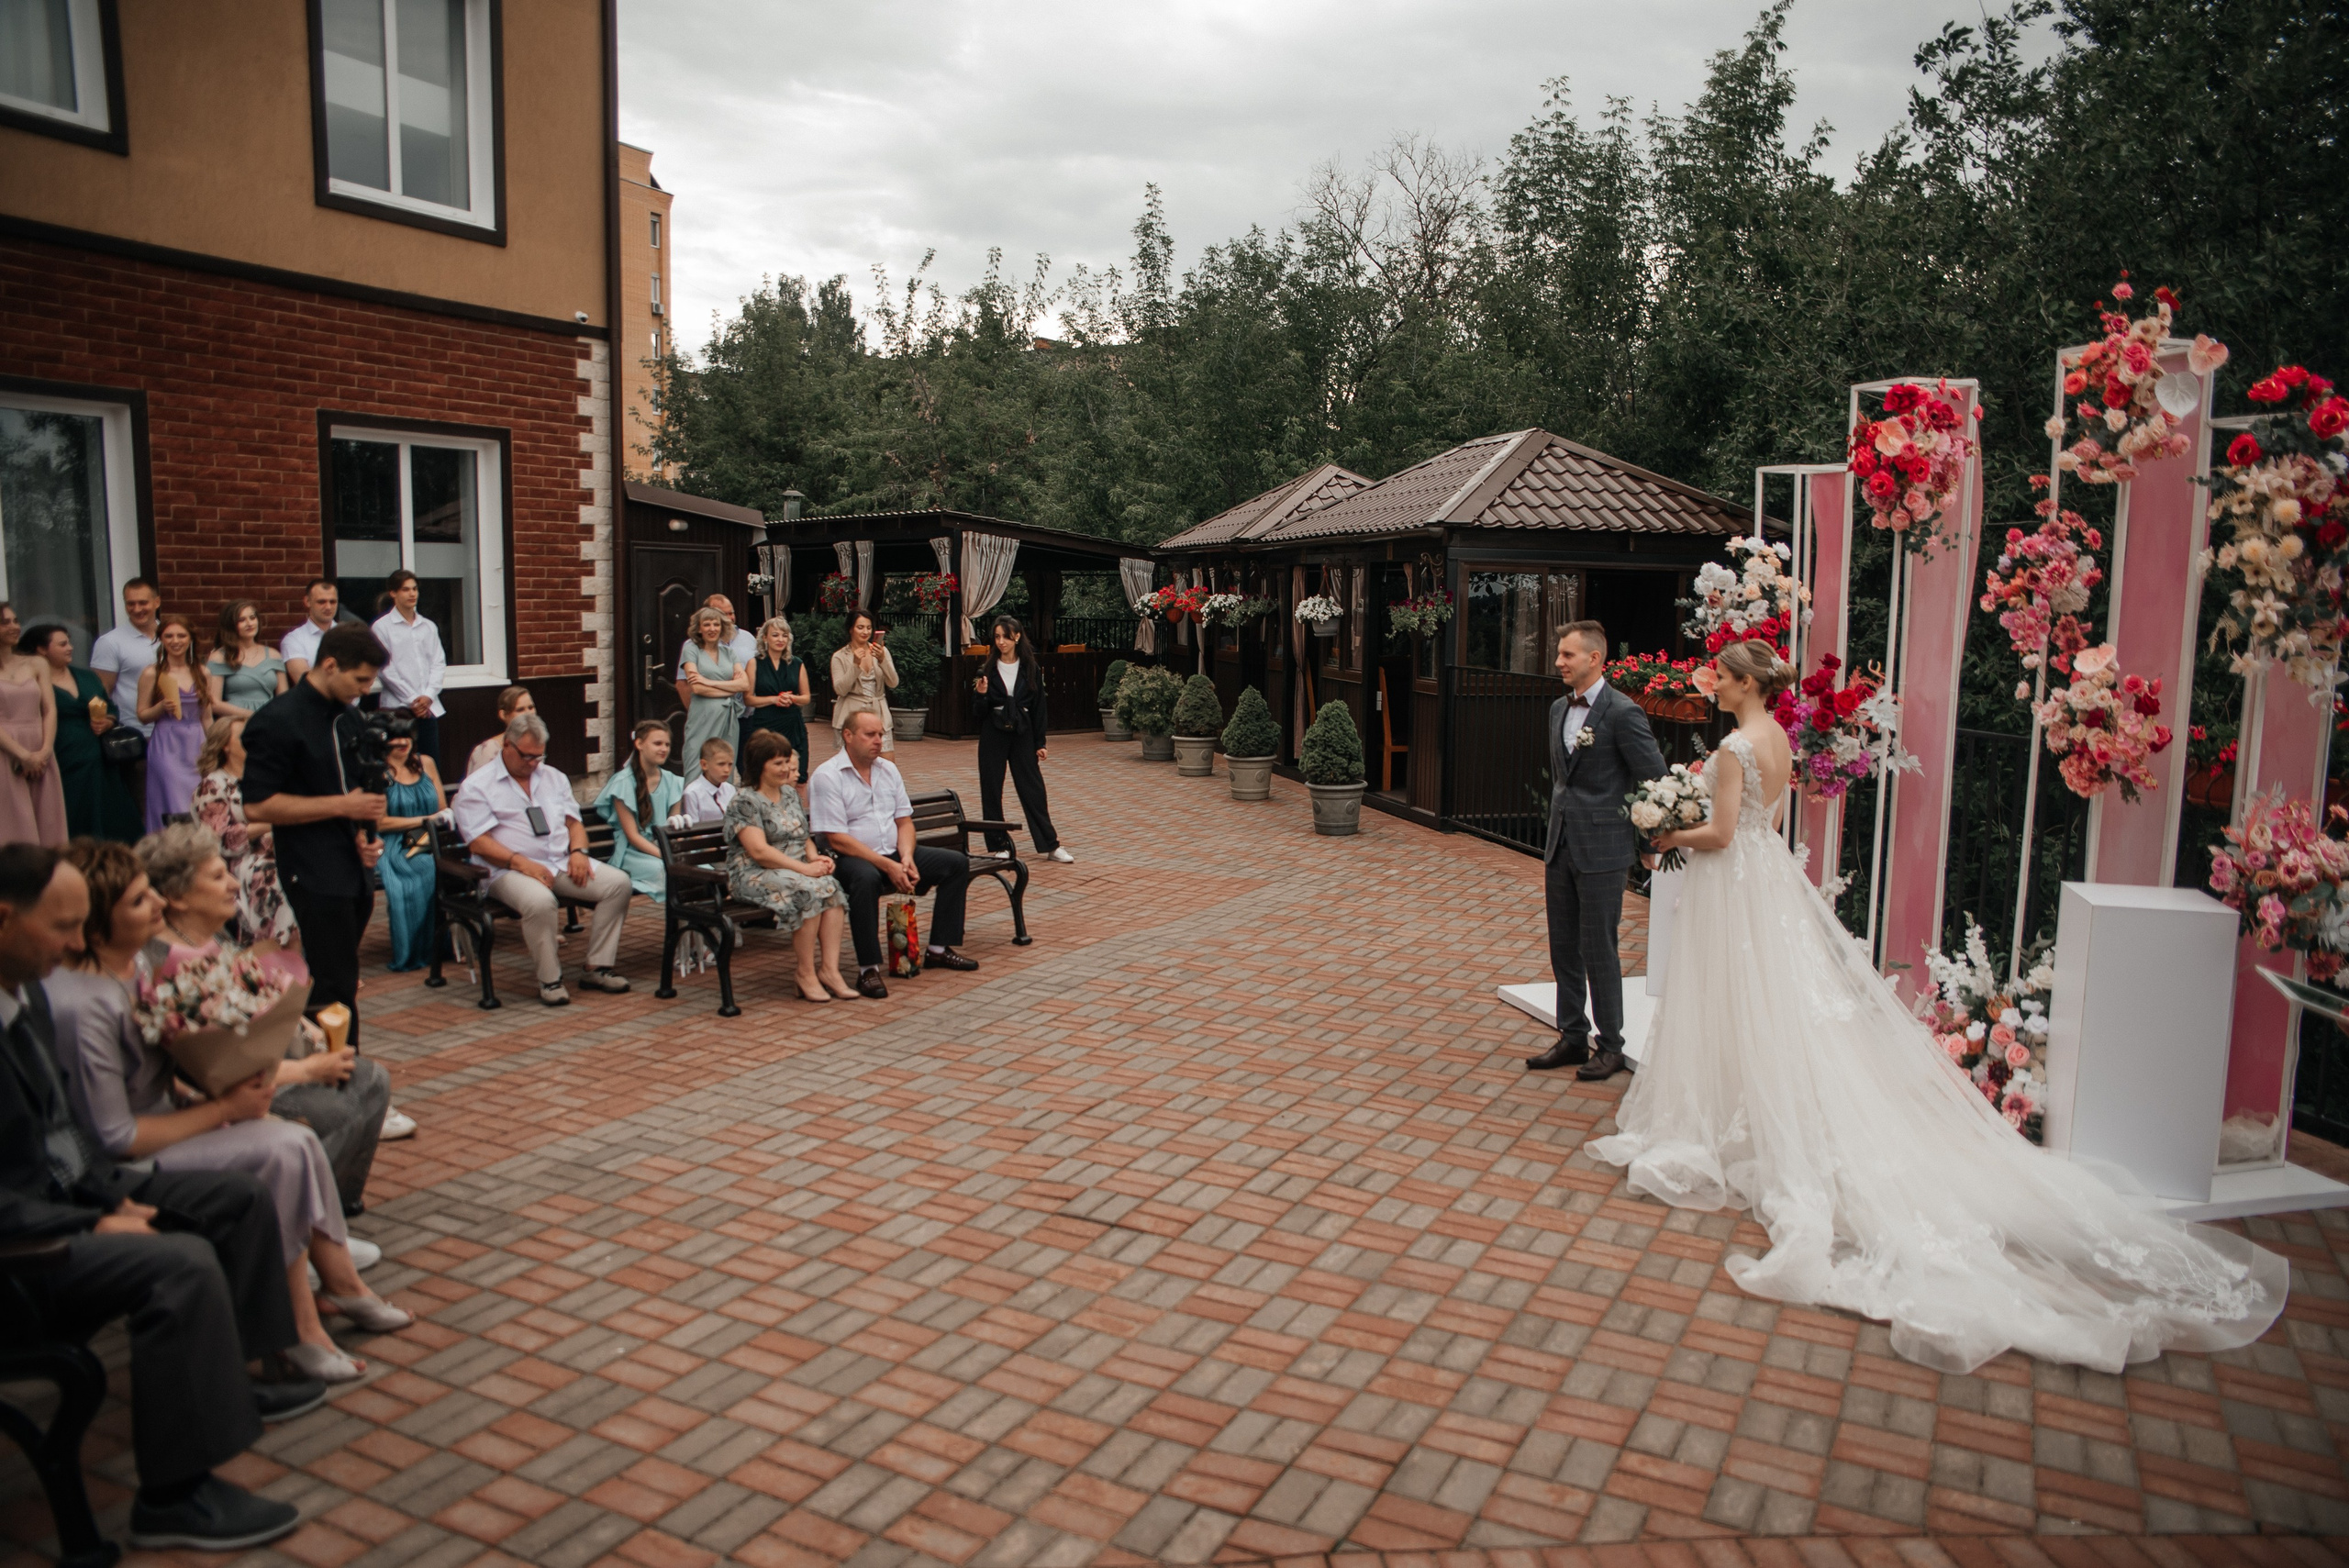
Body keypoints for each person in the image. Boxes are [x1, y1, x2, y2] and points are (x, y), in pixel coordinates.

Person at [1587, 639, 2288, 1373]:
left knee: (1740, 998)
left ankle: (1735, 1116)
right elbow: (1759, 825)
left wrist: (1666, 834)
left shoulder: (1733, 744)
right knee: (1775, 1005)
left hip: (1735, 882)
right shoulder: (1779, 738)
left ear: (1744, 683)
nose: (1714, 684)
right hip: (1768, 883)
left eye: (1722, 677)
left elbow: (1725, 833)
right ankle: (1751, 1108)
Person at [0, 843, 313, 1551]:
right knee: (179, 1264)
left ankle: (245, 1368)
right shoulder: (41, 1002)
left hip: (68, 1209)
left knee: (235, 1199)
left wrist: (113, 1196)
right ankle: (173, 1493)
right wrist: (94, 1217)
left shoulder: (24, 999)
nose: (78, 944)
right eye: (62, 928)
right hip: (22, 1258)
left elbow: (65, 1137)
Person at [49, 832, 409, 1384]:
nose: (158, 906)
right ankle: (300, 1326)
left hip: (175, 1121)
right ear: (99, 924)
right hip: (135, 1157)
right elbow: (115, 1136)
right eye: (141, 901)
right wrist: (226, 1109)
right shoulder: (85, 1005)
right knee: (285, 1146)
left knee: (297, 1141)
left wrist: (218, 1093)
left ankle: (337, 1286)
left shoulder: (135, 973)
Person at [1526, 620, 1665, 1080]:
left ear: (1594, 659)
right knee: (1563, 946)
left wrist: (1648, 842)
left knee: (1598, 947)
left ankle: (1610, 1044)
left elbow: (1653, 779)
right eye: (1559, 653)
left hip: (1604, 849)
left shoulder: (1624, 713)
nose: (1559, 662)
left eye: (1567, 655)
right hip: (1560, 844)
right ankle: (1571, 1037)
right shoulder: (1555, 710)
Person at [239, 624, 388, 1048]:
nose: (364, 690)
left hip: (351, 862)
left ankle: (334, 1067)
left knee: (343, 973)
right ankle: (344, 1076)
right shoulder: (278, 721)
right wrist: (344, 807)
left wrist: (365, 834)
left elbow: (358, 787)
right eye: (359, 679)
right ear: (329, 665)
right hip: (309, 863)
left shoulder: (350, 716)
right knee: (333, 979)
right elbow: (258, 806)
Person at [451, 713, 633, 1007]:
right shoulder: (477, 786)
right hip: (505, 870)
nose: (534, 763)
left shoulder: (553, 777)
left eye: (539, 756)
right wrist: (524, 864)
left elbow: (574, 824)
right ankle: (550, 980)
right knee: (540, 902)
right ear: (507, 746)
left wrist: (578, 852)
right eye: (527, 756)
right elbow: (479, 843)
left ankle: (597, 967)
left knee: (618, 884)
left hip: (558, 861)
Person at [809, 709, 978, 999]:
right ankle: (868, 969)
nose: (878, 741)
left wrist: (907, 857)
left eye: (881, 735)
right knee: (865, 880)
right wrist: (888, 865)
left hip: (892, 852)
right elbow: (837, 839)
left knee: (955, 864)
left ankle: (939, 949)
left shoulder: (888, 770)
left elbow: (904, 822)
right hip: (849, 858)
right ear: (848, 736)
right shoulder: (828, 776)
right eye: (870, 735)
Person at [724, 729, 851, 1003]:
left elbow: (802, 835)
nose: (785, 769)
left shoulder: (790, 795)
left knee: (831, 888)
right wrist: (804, 869)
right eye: (777, 763)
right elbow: (759, 851)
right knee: (807, 891)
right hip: (753, 873)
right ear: (759, 765)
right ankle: (805, 974)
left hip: (791, 869)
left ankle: (830, 970)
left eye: (786, 761)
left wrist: (815, 857)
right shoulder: (744, 801)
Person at [970, 614, 1072, 863]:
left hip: (1023, 732)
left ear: (1017, 636)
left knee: (1033, 788)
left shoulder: (1030, 668)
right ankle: (999, 844)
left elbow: (1039, 707)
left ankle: (1050, 844)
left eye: (1005, 636)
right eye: (996, 637)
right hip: (993, 733)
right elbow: (977, 714)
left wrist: (1041, 743)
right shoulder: (987, 669)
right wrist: (981, 695)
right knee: (992, 789)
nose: (1001, 642)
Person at [27, 621, 141, 841]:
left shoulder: (86, 677)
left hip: (100, 760)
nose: (70, 648)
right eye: (62, 644)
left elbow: (110, 705)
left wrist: (108, 720)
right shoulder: (34, 682)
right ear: (42, 649)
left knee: (112, 813)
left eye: (69, 642)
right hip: (64, 756)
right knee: (74, 810)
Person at [189, 717, 297, 948]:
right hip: (241, 861)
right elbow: (221, 841)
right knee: (271, 874)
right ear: (224, 745)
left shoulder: (265, 777)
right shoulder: (213, 785)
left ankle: (324, 962)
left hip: (282, 848)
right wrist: (274, 822)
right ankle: (273, 953)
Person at [373, 729, 446, 971]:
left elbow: (442, 807)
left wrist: (433, 822)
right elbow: (381, 823)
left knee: (440, 864)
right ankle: (415, 949)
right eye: (396, 737)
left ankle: (442, 943)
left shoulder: (426, 763)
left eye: (407, 736)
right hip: (394, 838)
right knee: (421, 867)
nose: (403, 742)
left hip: (427, 835)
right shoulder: (377, 771)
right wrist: (424, 819)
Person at [137, 612, 214, 832]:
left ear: (190, 639)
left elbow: (206, 716)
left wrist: (214, 748)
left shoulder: (202, 672)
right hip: (167, 743)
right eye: (169, 636)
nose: (175, 641)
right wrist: (160, 708)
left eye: (181, 636)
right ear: (161, 639)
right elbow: (142, 714)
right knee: (173, 802)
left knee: (197, 801)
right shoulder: (152, 673)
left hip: (196, 742)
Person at [0, 602, 67, 846]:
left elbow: (49, 710)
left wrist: (45, 750)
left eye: (16, 621)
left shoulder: (36, 664)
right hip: (6, 750)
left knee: (48, 819)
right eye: (5, 622)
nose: (14, 627)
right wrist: (22, 755)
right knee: (13, 820)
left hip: (39, 747)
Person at [595, 720, 684, 898]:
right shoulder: (623, 783)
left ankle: (690, 920)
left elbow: (671, 827)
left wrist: (672, 851)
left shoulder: (674, 782)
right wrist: (664, 855)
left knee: (699, 868)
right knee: (664, 870)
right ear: (639, 744)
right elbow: (633, 836)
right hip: (633, 853)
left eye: (667, 744)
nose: (664, 749)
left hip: (663, 846)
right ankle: (681, 920)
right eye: (657, 743)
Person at [371, 569, 447, 769]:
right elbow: (385, 669)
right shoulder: (382, 627)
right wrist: (413, 700)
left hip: (428, 709)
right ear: (393, 593)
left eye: (414, 589)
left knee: (430, 764)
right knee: (399, 767)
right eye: (406, 590)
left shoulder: (428, 626)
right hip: (397, 710)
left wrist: (428, 696)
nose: (412, 594)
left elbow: (438, 663)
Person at [740, 614, 812, 796]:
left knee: (799, 778)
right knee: (765, 777)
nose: (780, 640)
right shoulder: (754, 663)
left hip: (793, 724)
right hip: (766, 724)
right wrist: (774, 699)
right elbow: (748, 698)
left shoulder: (797, 663)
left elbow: (806, 697)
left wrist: (792, 699)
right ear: (765, 638)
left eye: (784, 635)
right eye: (775, 635)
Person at [89, 575, 161, 746]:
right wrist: (106, 721)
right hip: (133, 734)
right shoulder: (110, 642)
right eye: (130, 604)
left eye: (143, 603)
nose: (137, 609)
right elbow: (101, 691)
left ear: (156, 602)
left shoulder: (173, 637)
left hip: (173, 730)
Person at [677, 606, 745, 774]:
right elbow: (698, 688)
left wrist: (708, 681)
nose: (712, 629)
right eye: (707, 624)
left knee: (724, 768)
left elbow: (745, 685)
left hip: (728, 719)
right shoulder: (691, 649)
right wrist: (730, 689)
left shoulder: (729, 653)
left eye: (716, 624)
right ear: (699, 628)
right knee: (696, 766)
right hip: (703, 715)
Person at [205, 599, 290, 721]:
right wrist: (252, 715)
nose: (249, 623)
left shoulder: (273, 655)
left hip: (269, 723)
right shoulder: (219, 657)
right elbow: (213, 703)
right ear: (230, 625)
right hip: (235, 723)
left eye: (252, 617)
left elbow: (284, 699)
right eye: (242, 620)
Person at [829, 609, 899, 755]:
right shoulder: (839, 656)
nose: (865, 631)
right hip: (852, 715)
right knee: (854, 767)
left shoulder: (881, 651)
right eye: (860, 627)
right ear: (851, 629)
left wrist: (882, 660)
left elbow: (893, 682)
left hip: (879, 714)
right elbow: (840, 690)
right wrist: (855, 666)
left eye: (869, 627)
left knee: (887, 765)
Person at [278, 577, 342, 684]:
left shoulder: (349, 635)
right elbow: (306, 684)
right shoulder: (294, 640)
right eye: (321, 602)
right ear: (307, 601)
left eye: (333, 602)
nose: (328, 607)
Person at [465, 684, 534, 777]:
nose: (528, 713)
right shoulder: (489, 749)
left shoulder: (536, 745)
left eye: (531, 707)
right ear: (503, 715)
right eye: (520, 710)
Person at [682, 738, 735, 824]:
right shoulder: (692, 793)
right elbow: (693, 829)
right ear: (704, 765)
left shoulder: (730, 789)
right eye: (721, 764)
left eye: (730, 764)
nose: (727, 769)